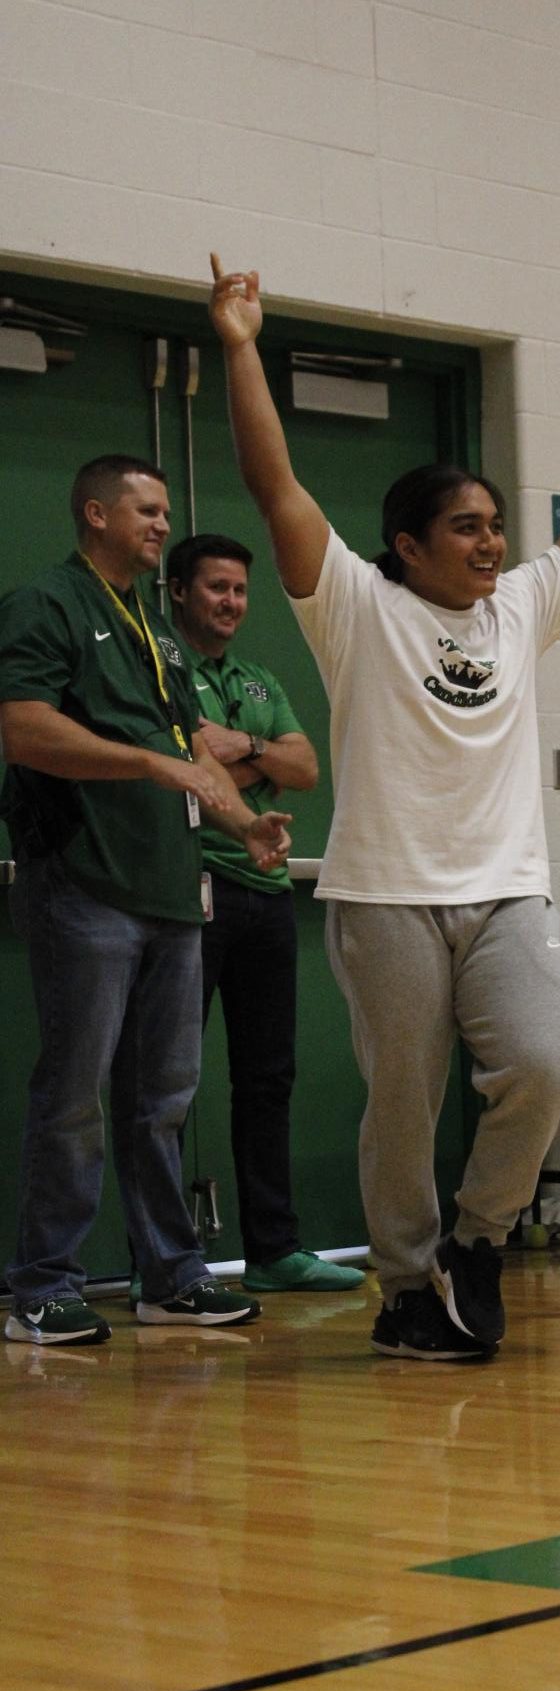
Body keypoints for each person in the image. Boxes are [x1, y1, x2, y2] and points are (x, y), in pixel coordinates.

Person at [208, 251, 560, 1364]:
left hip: (507, 892)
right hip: (385, 902)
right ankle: (405, 1291)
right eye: (464, 528)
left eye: (492, 525)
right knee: (404, 1111)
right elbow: (277, 489)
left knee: (540, 1064)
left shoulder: (520, 608)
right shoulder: (355, 608)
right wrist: (240, 349)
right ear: (408, 545)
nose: (489, 542)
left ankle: (477, 1242)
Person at [0, 456, 293, 1347]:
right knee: (76, 1091)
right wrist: (144, 762)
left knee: (163, 1094)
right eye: (147, 509)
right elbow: (21, 726)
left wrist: (243, 822)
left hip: (173, 890)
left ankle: (169, 1275)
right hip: (85, 881)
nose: (164, 523)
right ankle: (42, 1285)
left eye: (167, 511)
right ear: (96, 512)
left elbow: (190, 749)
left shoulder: (158, 633)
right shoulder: (45, 604)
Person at [166, 532, 364, 1295]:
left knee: (267, 1077)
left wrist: (240, 747)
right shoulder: (160, 667)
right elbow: (188, 758)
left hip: (266, 895)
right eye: (216, 587)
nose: (231, 602)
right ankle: (174, 1260)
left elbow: (307, 766)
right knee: (170, 1080)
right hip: (189, 892)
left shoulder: (255, 678)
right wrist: (248, 763)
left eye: (240, 590)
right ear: (180, 590)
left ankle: (274, 1250)